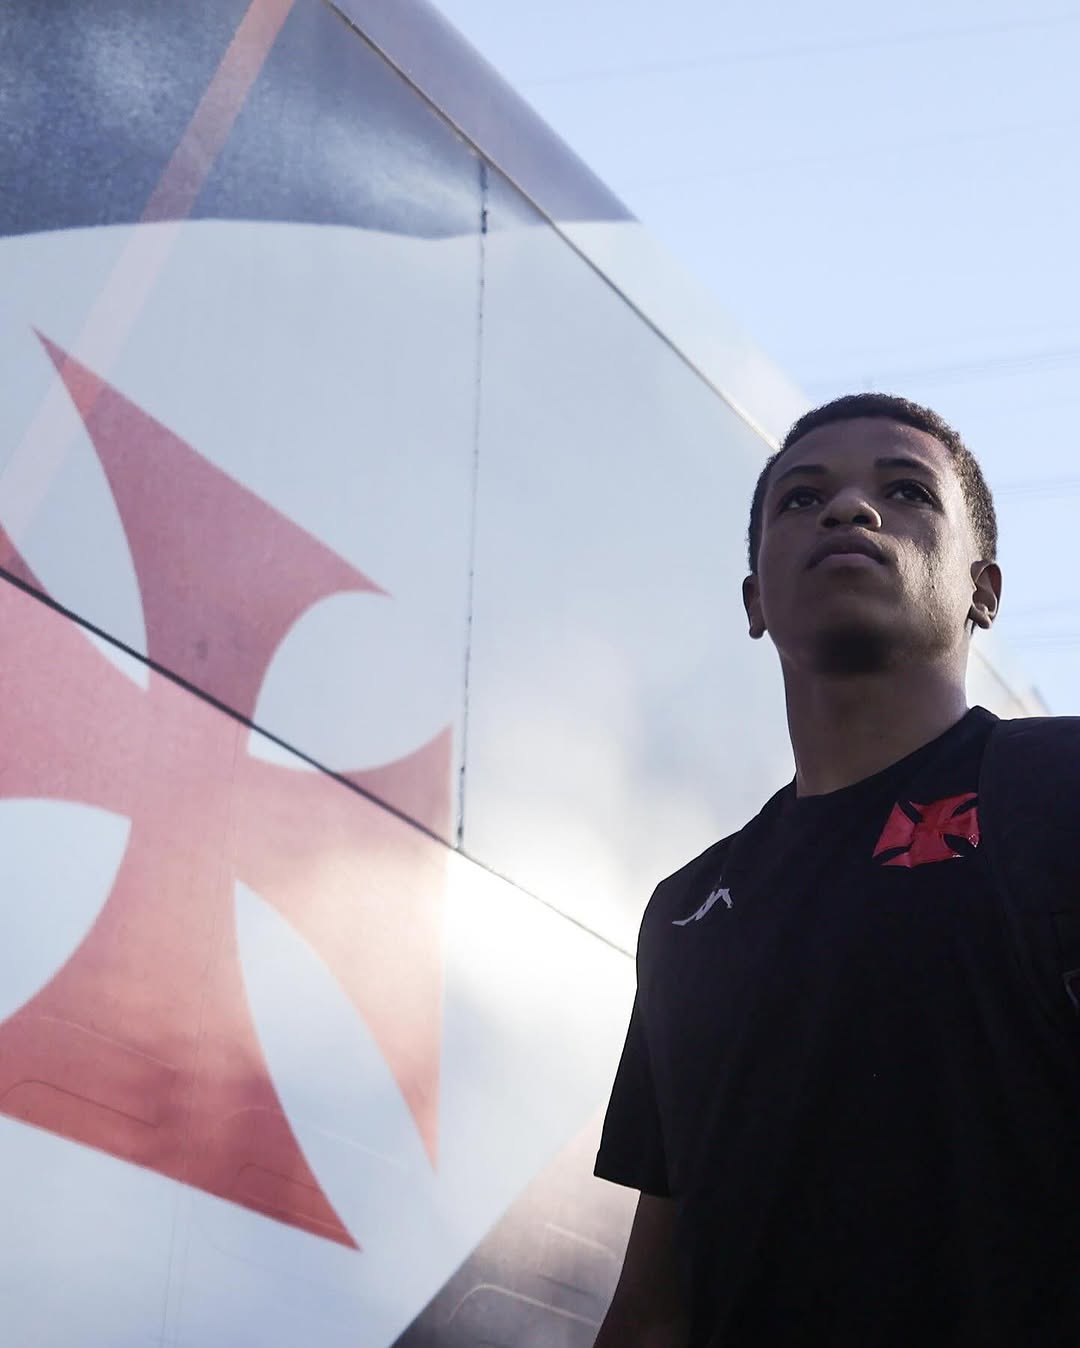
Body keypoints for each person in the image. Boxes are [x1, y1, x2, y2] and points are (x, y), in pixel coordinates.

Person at [592, 393, 1080, 1347]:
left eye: (907, 492)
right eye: (802, 498)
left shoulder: (1058, 789)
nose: (850, 509)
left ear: (983, 591)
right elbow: (654, 1311)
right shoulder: (687, 913)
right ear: (754, 601)